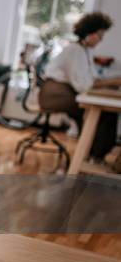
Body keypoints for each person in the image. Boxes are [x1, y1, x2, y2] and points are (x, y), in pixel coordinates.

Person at [39, 12, 120, 162]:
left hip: (67, 92)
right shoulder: (74, 51)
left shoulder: (86, 51)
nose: (101, 40)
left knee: (105, 111)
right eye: (100, 35)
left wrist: (112, 82)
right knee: (100, 110)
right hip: (54, 95)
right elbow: (84, 85)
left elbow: (93, 79)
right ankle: (93, 154)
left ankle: (95, 153)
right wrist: (112, 83)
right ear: (90, 33)